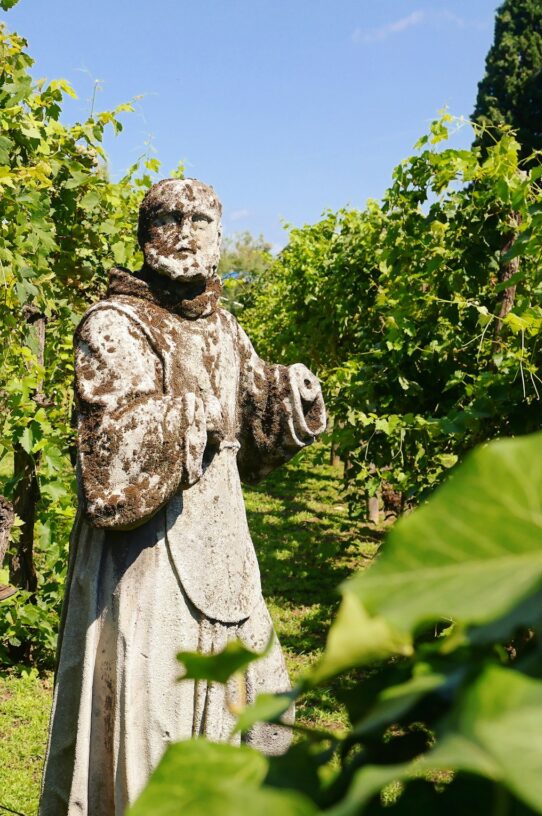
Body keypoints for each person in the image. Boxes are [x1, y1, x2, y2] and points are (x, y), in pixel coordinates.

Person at [39, 178, 327, 816]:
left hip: (225, 550)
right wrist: (190, 417)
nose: (187, 232)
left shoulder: (224, 327)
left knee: (263, 716)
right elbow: (108, 462)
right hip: (147, 561)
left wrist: (287, 397)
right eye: (170, 218)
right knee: (152, 715)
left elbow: (248, 420)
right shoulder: (114, 324)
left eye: (201, 220)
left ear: (219, 236)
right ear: (146, 236)